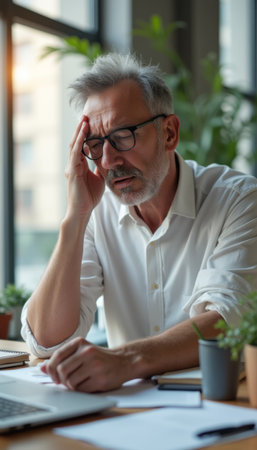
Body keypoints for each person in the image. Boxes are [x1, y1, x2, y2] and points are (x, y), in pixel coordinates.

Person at [21, 53, 257, 393]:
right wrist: (75, 218)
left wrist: (125, 360)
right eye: (95, 144)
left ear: (169, 133)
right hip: (125, 414)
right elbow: (46, 341)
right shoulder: (94, 213)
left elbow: (224, 323)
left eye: (123, 136)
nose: (108, 160)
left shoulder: (239, 200)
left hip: (220, 408)